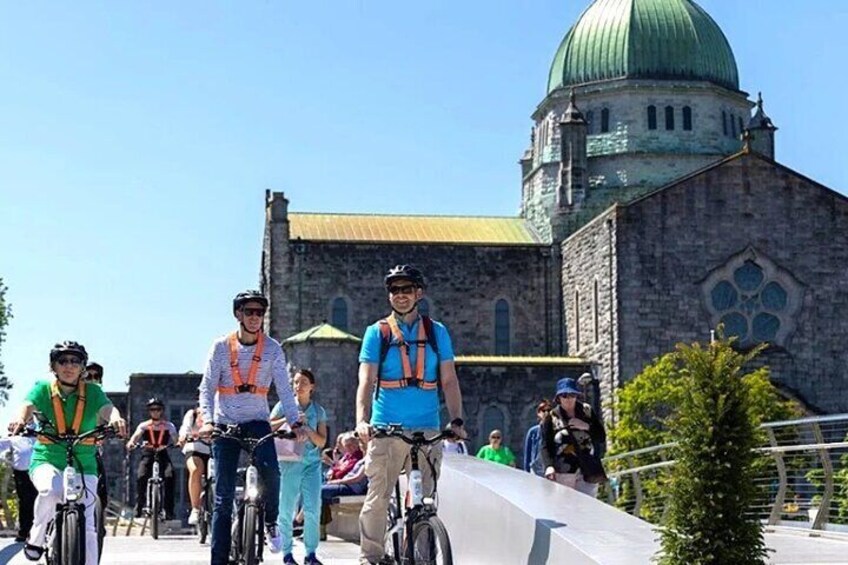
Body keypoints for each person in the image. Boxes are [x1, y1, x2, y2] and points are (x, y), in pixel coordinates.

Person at [355, 265, 465, 565]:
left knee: (426, 500)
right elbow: (366, 381)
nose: (400, 295)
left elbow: (449, 380)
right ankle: (371, 557)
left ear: (419, 292)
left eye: (406, 289)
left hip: (428, 429)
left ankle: (422, 554)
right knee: (378, 498)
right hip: (386, 429)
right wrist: (362, 422)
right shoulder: (377, 333)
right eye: (394, 290)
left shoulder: (436, 332)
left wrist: (456, 420)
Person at [196, 290, 302, 565]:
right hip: (225, 425)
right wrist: (208, 421)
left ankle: (270, 522)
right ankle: (218, 560)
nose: (255, 317)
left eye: (259, 312)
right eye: (249, 312)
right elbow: (206, 389)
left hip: (257, 422)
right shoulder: (220, 347)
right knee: (223, 496)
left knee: (273, 472)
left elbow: (285, 389)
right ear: (238, 315)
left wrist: (295, 420)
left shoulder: (272, 349)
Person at [6, 341, 127, 564]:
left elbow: (108, 409)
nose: (69, 366)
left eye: (75, 361)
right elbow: (26, 405)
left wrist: (116, 419)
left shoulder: (93, 391)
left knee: (90, 524)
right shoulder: (43, 387)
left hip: (85, 461)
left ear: (83, 367)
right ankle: (36, 537)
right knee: (50, 491)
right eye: (62, 361)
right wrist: (19, 419)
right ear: (53, 366)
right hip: (47, 458)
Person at [271, 368, 327, 565]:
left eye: (303, 382)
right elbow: (268, 427)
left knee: (312, 509)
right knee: (286, 509)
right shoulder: (283, 406)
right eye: (295, 382)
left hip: (311, 464)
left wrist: (307, 428)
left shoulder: (318, 411)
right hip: (288, 462)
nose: (298, 386)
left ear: (312, 386)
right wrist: (289, 419)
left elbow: (321, 442)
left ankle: (310, 554)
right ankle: (287, 553)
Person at [540, 377, 607, 497]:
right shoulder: (551, 417)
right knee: (566, 508)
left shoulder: (587, 411)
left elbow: (601, 436)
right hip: (563, 470)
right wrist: (549, 466)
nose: (569, 399)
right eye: (564, 395)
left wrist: (586, 426)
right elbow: (546, 445)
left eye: (572, 395)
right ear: (559, 398)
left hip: (588, 468)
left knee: (587, 506)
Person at [127, 397, 178, 520]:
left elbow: (176, 438)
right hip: (148, 453)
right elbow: (135, 437)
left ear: (162, 411)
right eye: (152, 409)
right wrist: (131, 443)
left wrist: (177, 443)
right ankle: (139, 506)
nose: (155, 412)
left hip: (162, 452)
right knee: (141, 476)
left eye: (158, 409)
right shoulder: (144, 425)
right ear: (149, 411)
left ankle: (169, 510)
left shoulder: (168, 426)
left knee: (170, 476)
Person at [85, 361, 110, 544]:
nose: (92, 380)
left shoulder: (99, 397)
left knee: (101, 487)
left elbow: (108, 415)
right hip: (65, 448)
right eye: (88, 376)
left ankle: (98, 521)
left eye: (96, 377)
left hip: (91, 448)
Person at [0, 428, 37, 543]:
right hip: (21, 474)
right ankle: (24, 531)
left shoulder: (40, 438)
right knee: (25, 501)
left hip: (38, 472)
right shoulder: (14, 439)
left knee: (39, 500)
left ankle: (38, 531)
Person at [177, 402, 211, 526]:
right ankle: (195, 508)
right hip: (195, 449)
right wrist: (183, 436)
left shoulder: (220, 411)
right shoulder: (192, 414)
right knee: (196, 469)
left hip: (214, 450)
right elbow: (185, 428)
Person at [523, 400, 553, 475]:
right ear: (538, 413)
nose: (546, 413)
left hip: (549, 470)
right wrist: (526, 472)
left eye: (549, 410)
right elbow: (528, 454)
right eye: (543, 410)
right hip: (535, 470)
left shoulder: (555, 430)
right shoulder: (533, 431)